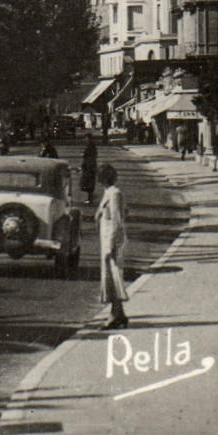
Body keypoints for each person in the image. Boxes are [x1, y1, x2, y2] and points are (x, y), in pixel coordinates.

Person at [95, 163, 130, 329]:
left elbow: (117, 220)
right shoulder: (108, 193)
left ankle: (114, 316)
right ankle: (119, 314)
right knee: (110, 277)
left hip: (112, 242)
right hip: (107, 240)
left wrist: (110, 246)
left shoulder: (114, 194)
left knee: (112, 277)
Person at [79, 138, 98, 204]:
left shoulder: (90, 148)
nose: (85, 140)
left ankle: (90, 198)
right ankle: (90, 198)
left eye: (86, 138)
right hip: (89, 167)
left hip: (89, 168)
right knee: (89, 183)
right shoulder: (90, 147)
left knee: (89, 183)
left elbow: (88, 157)